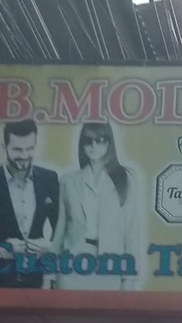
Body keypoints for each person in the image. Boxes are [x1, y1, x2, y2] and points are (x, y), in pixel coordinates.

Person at [0, 119, 60, 289]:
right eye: (17, 149)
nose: (24, 155)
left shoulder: (50, 180)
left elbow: (63, 228)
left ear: (36, 145)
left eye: (30, 148)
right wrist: (0, 250)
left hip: (36, 285)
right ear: (4, 146)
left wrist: (52, 246)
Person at [55, 120, 148, 291]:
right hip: (72, 266)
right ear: (81, 144)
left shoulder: (126, 178)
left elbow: (132, 230)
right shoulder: (68, 180)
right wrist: (48, 275)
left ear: (109, 143)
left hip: (110, 266)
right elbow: (59, 230)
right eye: (87, 141)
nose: (93, 146)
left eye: (100, 140)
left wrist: (129, 277)